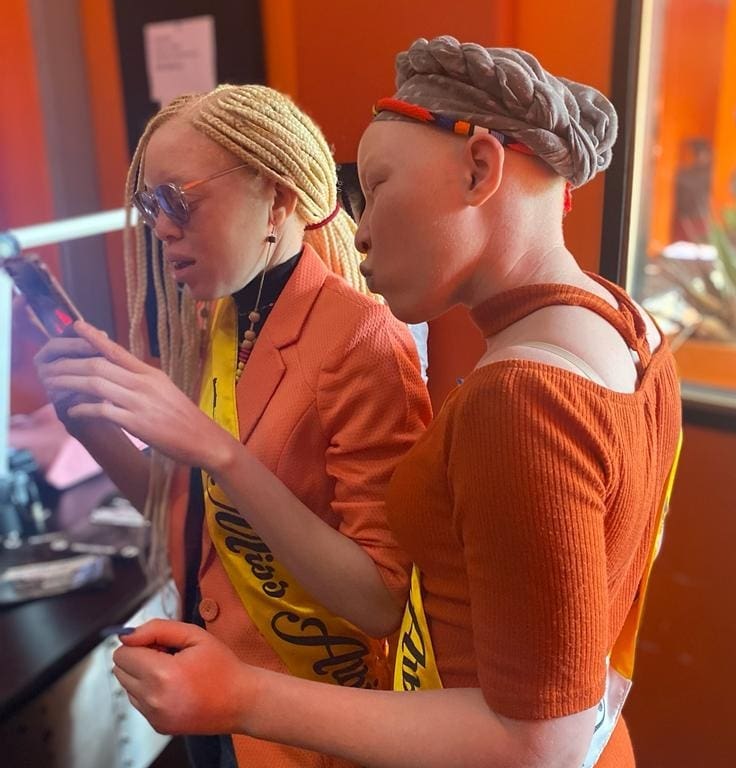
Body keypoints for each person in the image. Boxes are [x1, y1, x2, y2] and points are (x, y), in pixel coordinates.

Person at [53, 37, 682, 768]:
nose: (360, 230)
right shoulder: (627, 327)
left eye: (376, 187)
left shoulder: (522, 398)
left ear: (480, 168)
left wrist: (242, 695)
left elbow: (535, 743)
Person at [36, 83, 431, 768]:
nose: (161, 229)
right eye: (149, 207)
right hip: (209, 686)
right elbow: (194, 519)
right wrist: (89, 425)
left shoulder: (363, 340)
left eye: (177, 201)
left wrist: (221, 453)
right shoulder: (221, 318)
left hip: (306, 717)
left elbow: (381, 602)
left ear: (276, 199)